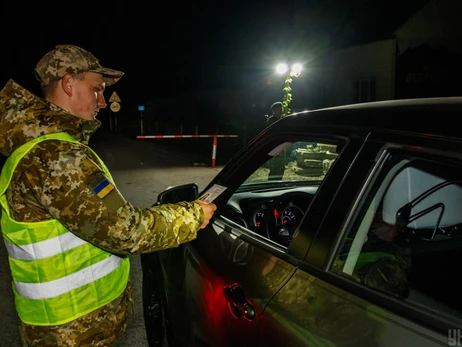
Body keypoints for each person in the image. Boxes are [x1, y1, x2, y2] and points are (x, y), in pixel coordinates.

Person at [0, 44, 217, 346]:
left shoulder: (45, 148)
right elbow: (126, 231)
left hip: (68, 326)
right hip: (72, 333)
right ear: (68, 83)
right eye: (97, 90)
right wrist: (193, 215)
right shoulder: (55, 156)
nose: (102, 101)